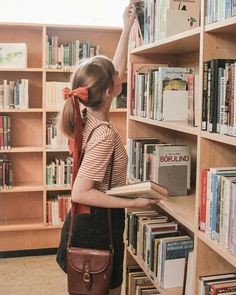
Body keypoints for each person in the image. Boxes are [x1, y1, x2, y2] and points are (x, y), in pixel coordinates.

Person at [58, 3, 159, 295]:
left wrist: (126, 29)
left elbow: (112, 70)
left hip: (85, 226)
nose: (121, 77)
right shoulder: (103, 134)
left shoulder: (86, 115)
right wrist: (133, 203)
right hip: (98, 231)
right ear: (109, 92)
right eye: (117, 80)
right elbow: (80, 192)